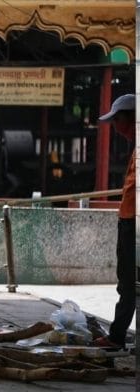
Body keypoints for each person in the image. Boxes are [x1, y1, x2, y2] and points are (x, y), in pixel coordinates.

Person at [93, 94, 136, 348]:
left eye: (117, 120)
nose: (115, 127)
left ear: (130, 118)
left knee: (129, 284)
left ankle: (117, 337)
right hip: (128, 219)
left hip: (132, 223)